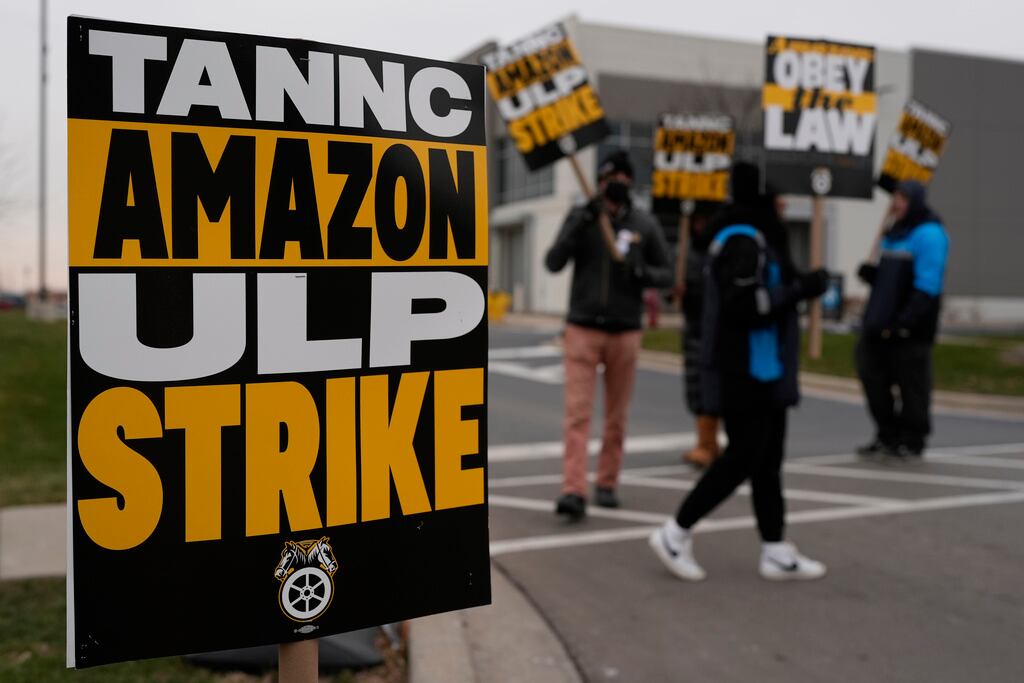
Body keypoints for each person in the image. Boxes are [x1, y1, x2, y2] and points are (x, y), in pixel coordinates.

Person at [649, 163, 830, 581]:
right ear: (763, 199)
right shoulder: (742, 241)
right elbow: (744, 305)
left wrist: (806, 284)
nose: (785, 204)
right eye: (779, 197)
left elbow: (768, 291)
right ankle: (674, 533)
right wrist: (799, 290)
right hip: (744, 370)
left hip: (764, 369)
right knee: (743, 458)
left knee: (768, 461)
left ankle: (776, 549)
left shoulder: (755, 238)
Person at [545, 150, 673, 521]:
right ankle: (573, 489)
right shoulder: (582, 217)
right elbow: (553, 262)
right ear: (599, 181)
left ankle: (607, 481)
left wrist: (640, 271)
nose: (613, 183)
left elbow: (666, 274)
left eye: (620, 177)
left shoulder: (644, 224)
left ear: (630, 182)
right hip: (583, 327)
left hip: (624, 331)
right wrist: (578, 224)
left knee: (616, 416)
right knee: (577, 414)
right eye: (608, 177)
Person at [855, 180, 949, 459]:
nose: (896, 203)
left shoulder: (930, 234)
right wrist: (872, 275)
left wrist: (904, 322)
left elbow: (926, 287)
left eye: (902, 198)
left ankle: (912, 438)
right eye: (895, 197)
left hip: (911, 328)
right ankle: (888, 433)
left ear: (915, 201)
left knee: (912, 386)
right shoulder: (893, 233)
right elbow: (889, 281)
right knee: (871, 376)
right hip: (879, 324)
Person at [674, 204, 721, 469]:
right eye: (697, 220)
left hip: (716, 327)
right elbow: (670, 284)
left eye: (705, 220)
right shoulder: (685, 251)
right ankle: (705, 441)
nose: (701, 226)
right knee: (696, 386)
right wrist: (676, 290)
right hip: (694, 328)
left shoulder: (720, 249)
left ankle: (710, 443)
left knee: (714, 387)